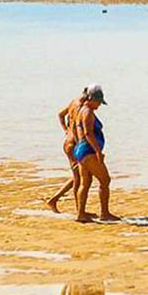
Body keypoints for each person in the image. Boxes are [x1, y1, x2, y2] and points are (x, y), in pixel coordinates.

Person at [46, 86, 95, 218]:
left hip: (70, 142)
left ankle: (56, 200)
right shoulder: (81, 108)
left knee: (78, 177)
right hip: (73, 144)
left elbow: (61, 115)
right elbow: (82, 130)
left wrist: (66, 130)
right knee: (80, 178)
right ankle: (79, 211)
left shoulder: (74, 102)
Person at [74, 84, 119, 223]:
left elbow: (79, 132)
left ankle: (81, 214)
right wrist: (98, 152)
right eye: (99, 102)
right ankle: (104, 213)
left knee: (85, 182)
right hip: (89, 151)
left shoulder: (81, 110)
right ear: (92, 99)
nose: (99, 105)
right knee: (105, 180)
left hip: (81, 150)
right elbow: (88, 133)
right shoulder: (87, 112)